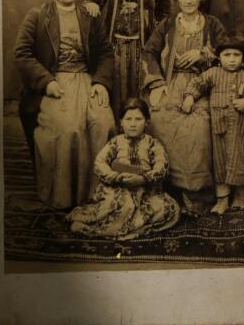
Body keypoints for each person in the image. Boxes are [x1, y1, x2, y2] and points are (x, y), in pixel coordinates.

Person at [13, 0, 115, 209]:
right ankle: (64, 196)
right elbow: (21, 53)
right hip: (54, 83)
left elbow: (106, 53)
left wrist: (101, 82)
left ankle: (98, 193)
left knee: (104, 123)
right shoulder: (37, 16)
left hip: (86, 81)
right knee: (69, 129)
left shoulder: (89, 16)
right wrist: (46, 82)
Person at [143, 0, 227, 214]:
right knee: (160, 119)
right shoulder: (168, 23)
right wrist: (157, 83)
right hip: (171, 83)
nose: (188, 0)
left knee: (199, 128)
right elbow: (149, 52)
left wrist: (204, 54)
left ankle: (196, 192)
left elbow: (229, 51)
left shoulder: (211, 23)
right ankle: (170, 188)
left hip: (204, 85)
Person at [85, 0, 174, 125]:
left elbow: (168, 13)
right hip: (115, 47)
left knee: (142, 88)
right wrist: (91, 4)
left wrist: (156, 37)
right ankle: (118, 136)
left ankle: (141, 134)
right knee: (116, 90)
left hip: (144, 48)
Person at [66, 97, 181, 240]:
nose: (133, 124)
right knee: (123, 206)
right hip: (117, 189)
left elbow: (162, 165)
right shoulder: (115, 142)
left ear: (147, 122)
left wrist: (144, 178)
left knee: (169, 208)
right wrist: (116, 177)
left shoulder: (153, 144)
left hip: (145, 191)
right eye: (128, 119)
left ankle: (137, 230)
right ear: (121, 123)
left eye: (138, 119)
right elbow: (100, 163)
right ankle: (96, 228)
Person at [182, 33, 244, 216]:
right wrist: (190, 97)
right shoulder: (213, 75)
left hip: (243, 130)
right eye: (227, 55)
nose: (231, 60)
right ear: (219, 57)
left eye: (236, 55)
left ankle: (240, 195)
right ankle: (222, 199)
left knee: (242, 161)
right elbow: (197, 84)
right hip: (220, 130)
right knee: (221, 163)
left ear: (243, 58)